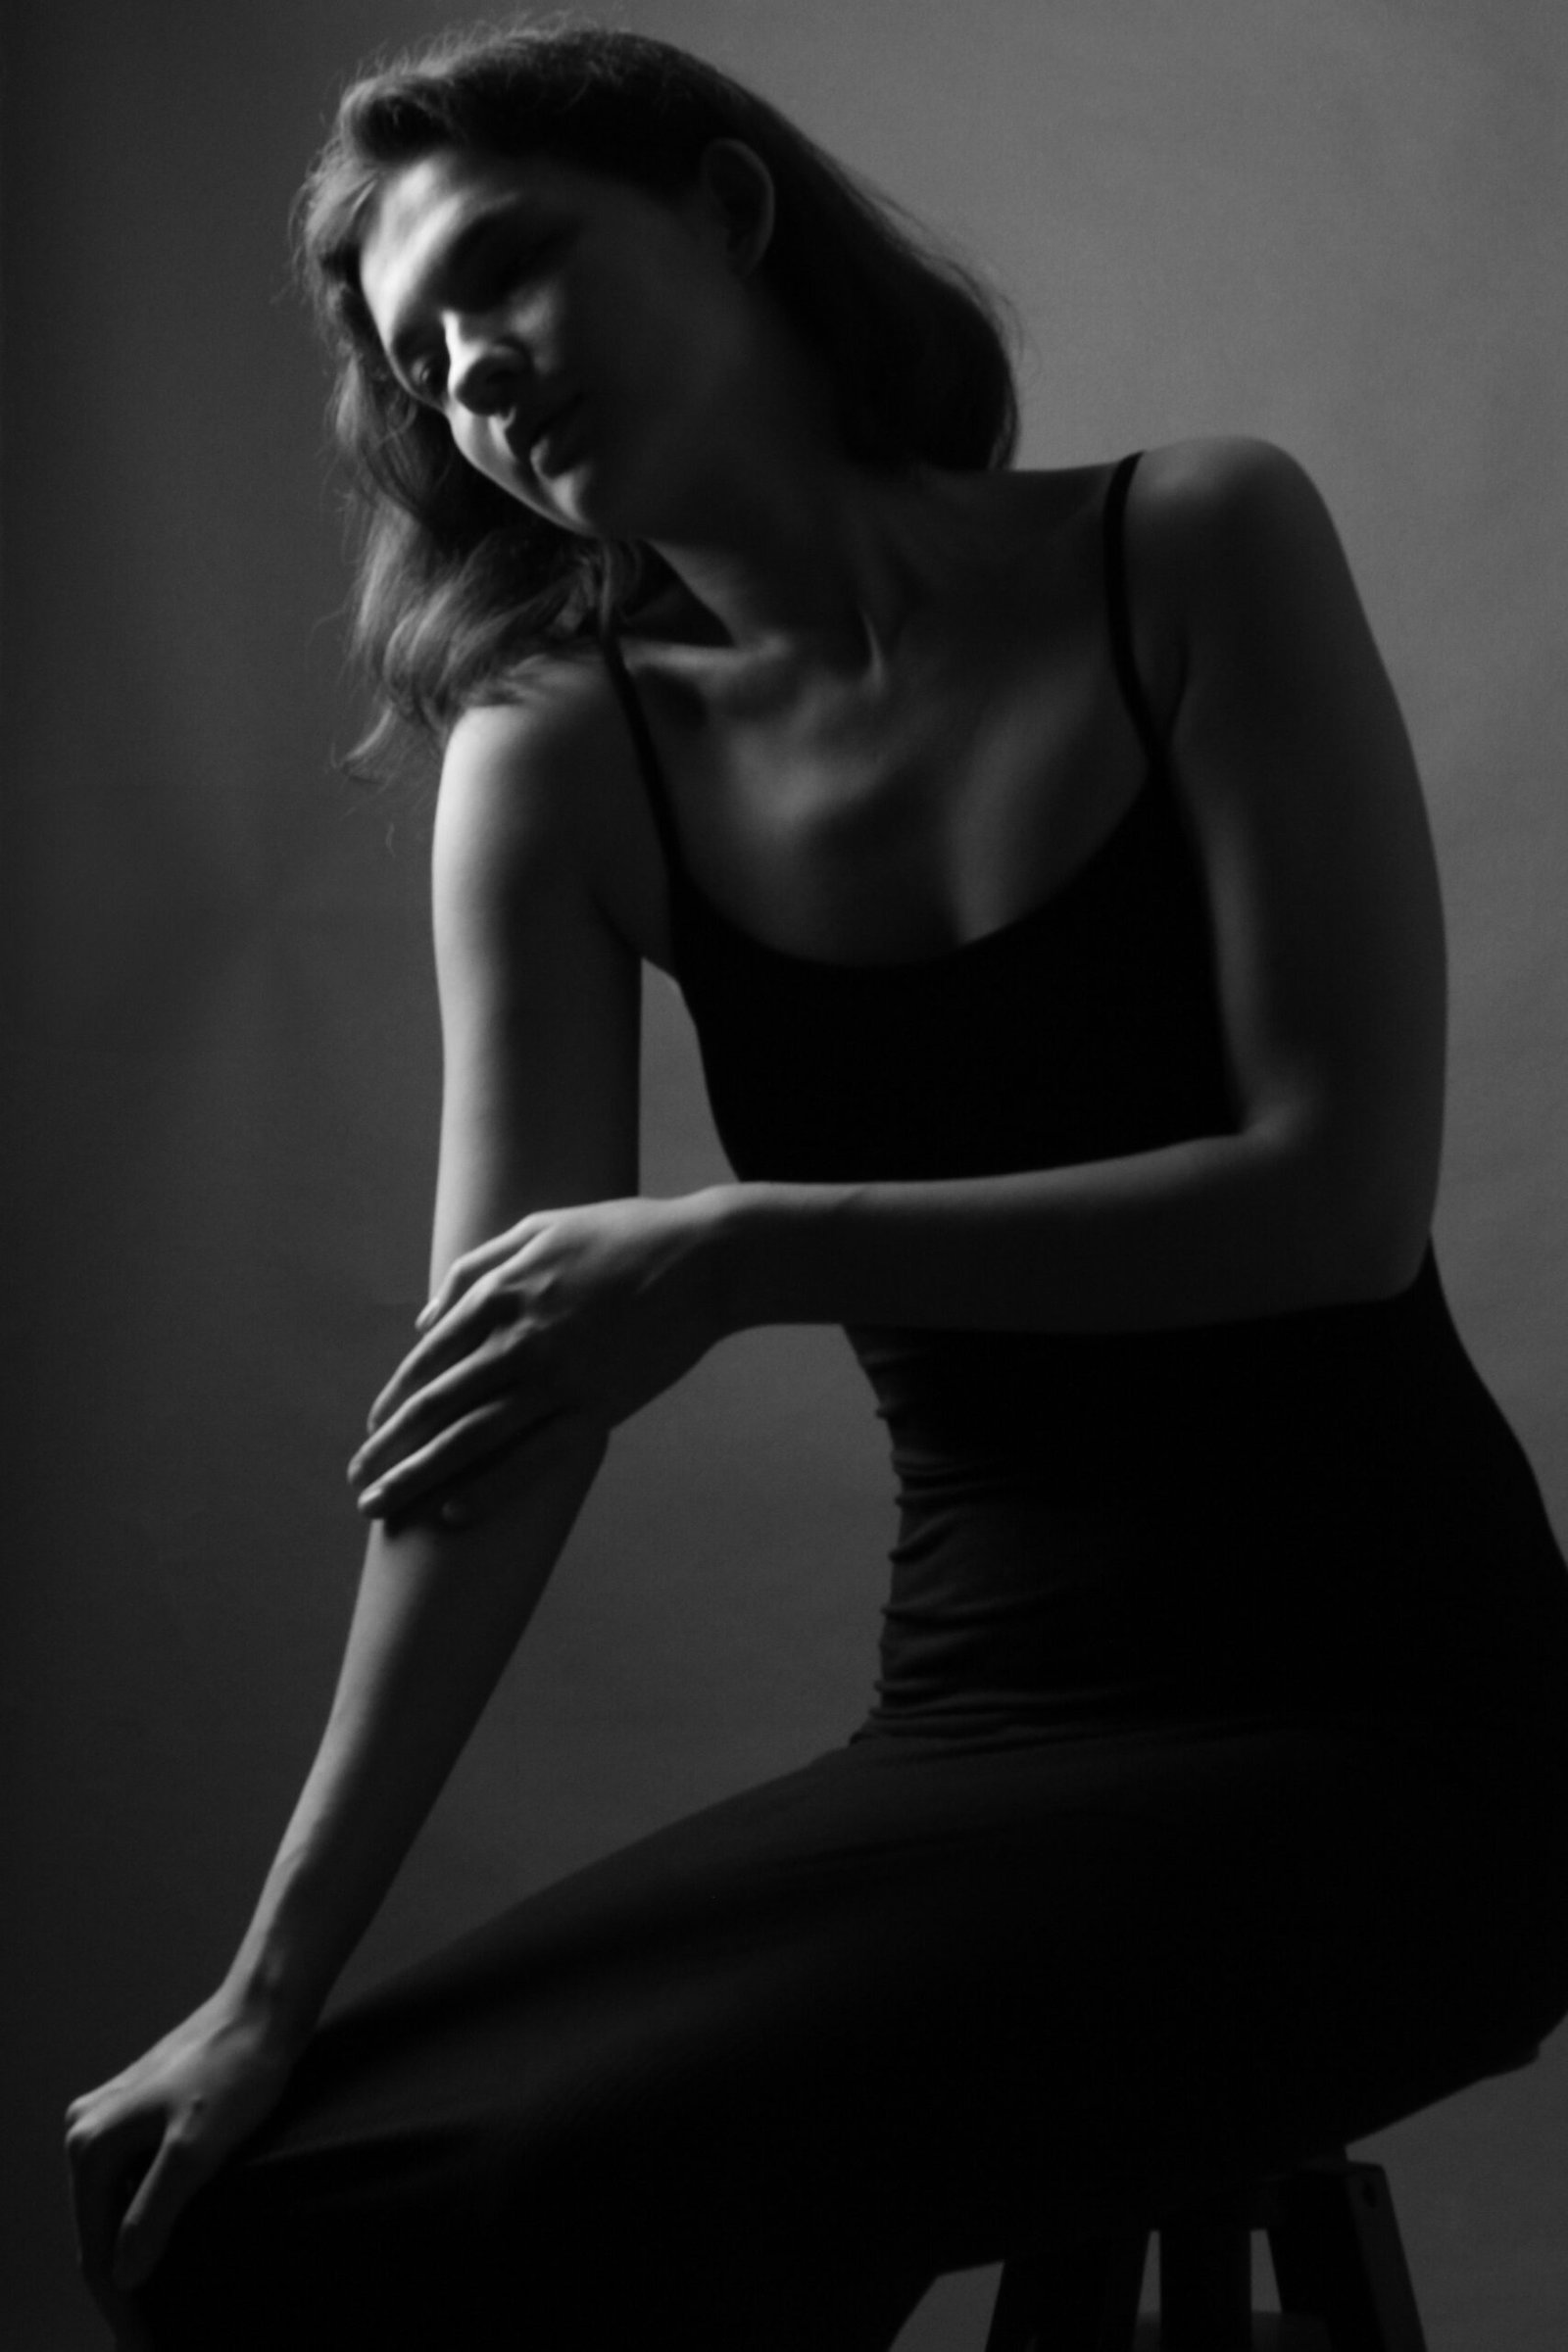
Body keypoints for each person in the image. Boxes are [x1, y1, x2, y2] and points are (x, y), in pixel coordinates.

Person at [64, 20, 1568, 2350]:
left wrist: (745, 1251)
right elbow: (494, 1412)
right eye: (422, 364)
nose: (474, 375)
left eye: (509, 268)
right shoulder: (560, 760)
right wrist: (268, 1988)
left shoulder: (1191, 540)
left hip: (1397, 1730)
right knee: (286, 2203)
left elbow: (1329, 1203)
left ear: (728, 209)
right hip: (982, 1727)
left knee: (617, 2190)